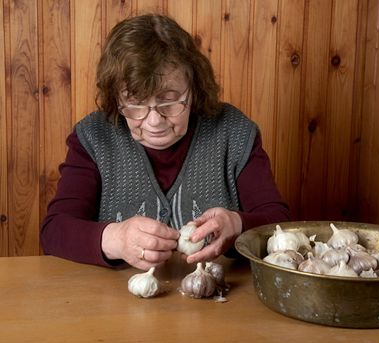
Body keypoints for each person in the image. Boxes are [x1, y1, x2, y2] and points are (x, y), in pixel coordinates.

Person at [40, 14, 290, 271]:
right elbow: (54, 231)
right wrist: (115, 238)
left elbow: (279, 223)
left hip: (220, 303)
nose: (153, 122)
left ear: (193, 88)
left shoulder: (234, 132)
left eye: (169, 101)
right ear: (116, 98)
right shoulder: (94, 137)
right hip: (114, 307)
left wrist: (237, 225)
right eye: (135, 104)